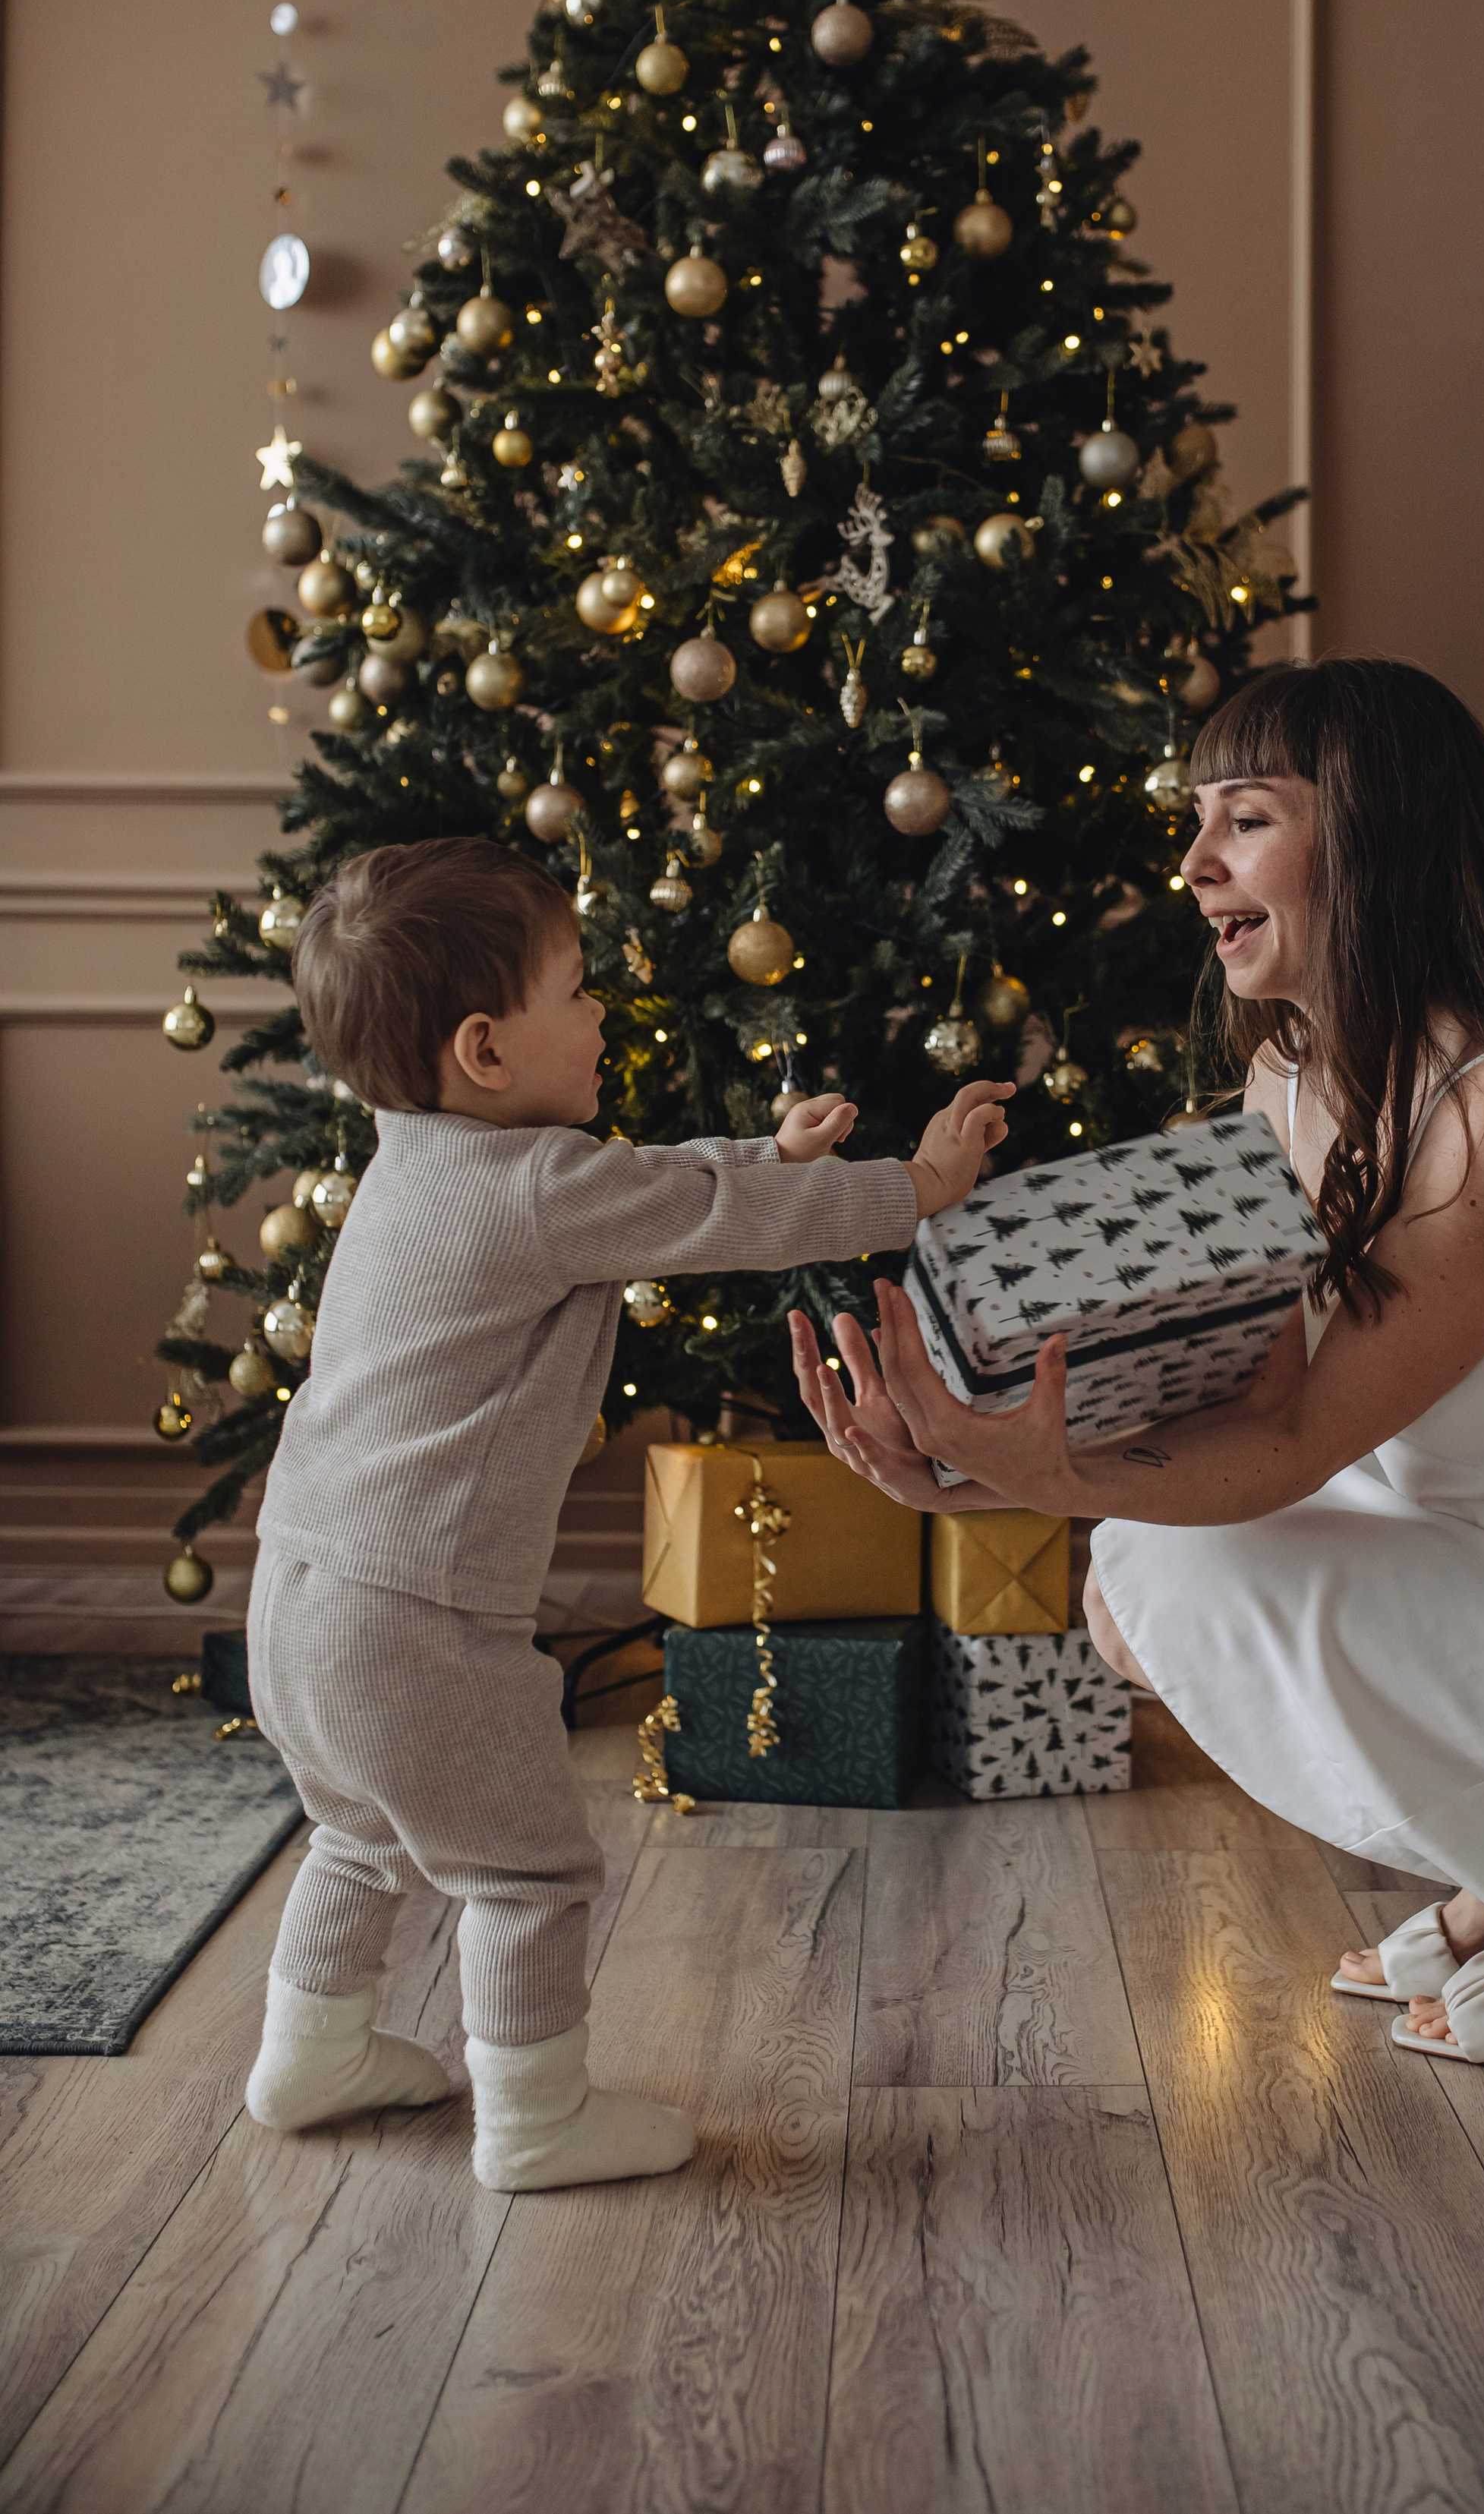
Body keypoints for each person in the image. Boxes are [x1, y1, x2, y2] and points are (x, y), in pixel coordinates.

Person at [789, 658, 1484, 2071]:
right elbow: (1240, 1402)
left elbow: (1294, 1444)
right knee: (1131, 1590)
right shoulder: (1291, 1081)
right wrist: (969, 1474)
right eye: (1195, 819)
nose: (1192, 863)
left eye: (1243, 818)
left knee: (1168, 1569)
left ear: (1373, 836)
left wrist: (1039, 1476)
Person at [242, 835, 1010, 2187]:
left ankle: (310, 2049)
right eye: (578, 989)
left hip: (299, 1592)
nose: (600, 1012)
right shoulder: (539, 1188)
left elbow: (654, 1186)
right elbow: (700, 1220)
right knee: (529, 1872)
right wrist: (918, 1188)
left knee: (358, 1828)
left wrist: (758, 1151)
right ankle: (536, 2122)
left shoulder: (412, 1159)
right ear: (486, 1049)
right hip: (415, 1617)